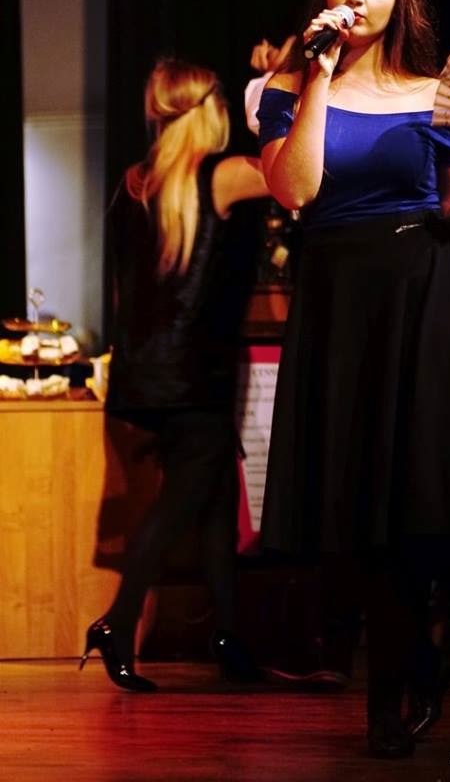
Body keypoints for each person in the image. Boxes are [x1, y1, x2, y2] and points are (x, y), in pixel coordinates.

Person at [255, 0, 450, 758]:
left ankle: (408, 680)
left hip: (424, 293)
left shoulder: (436, 93)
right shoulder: (285, 88)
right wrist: (317, 74)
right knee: (357, 513)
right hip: (340, 302)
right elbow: (297, 190)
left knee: (417, 506)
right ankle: (413, 669)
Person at [80, 57, 270, 692]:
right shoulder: (224, 175)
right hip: (194, 377)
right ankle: (117, 621)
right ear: (210, 110)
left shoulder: (133, 184)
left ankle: (229, 641)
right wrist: (278, 85)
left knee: (213, 502)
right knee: (180, 505)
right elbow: (298, 174)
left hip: (146, 376)